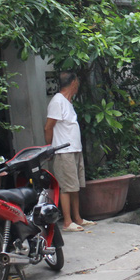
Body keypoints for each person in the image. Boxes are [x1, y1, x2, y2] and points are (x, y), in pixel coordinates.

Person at [44, 71, 95, 232]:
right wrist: (50, 148)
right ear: (73, 83)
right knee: (66, 187)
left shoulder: (67, 102)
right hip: (63, 151)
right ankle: (67, 221)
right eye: (77, 82)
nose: (78, 85)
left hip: (73, 150)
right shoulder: (57, 101)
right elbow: (48, 127)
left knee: (75, 186)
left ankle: (77, 218)